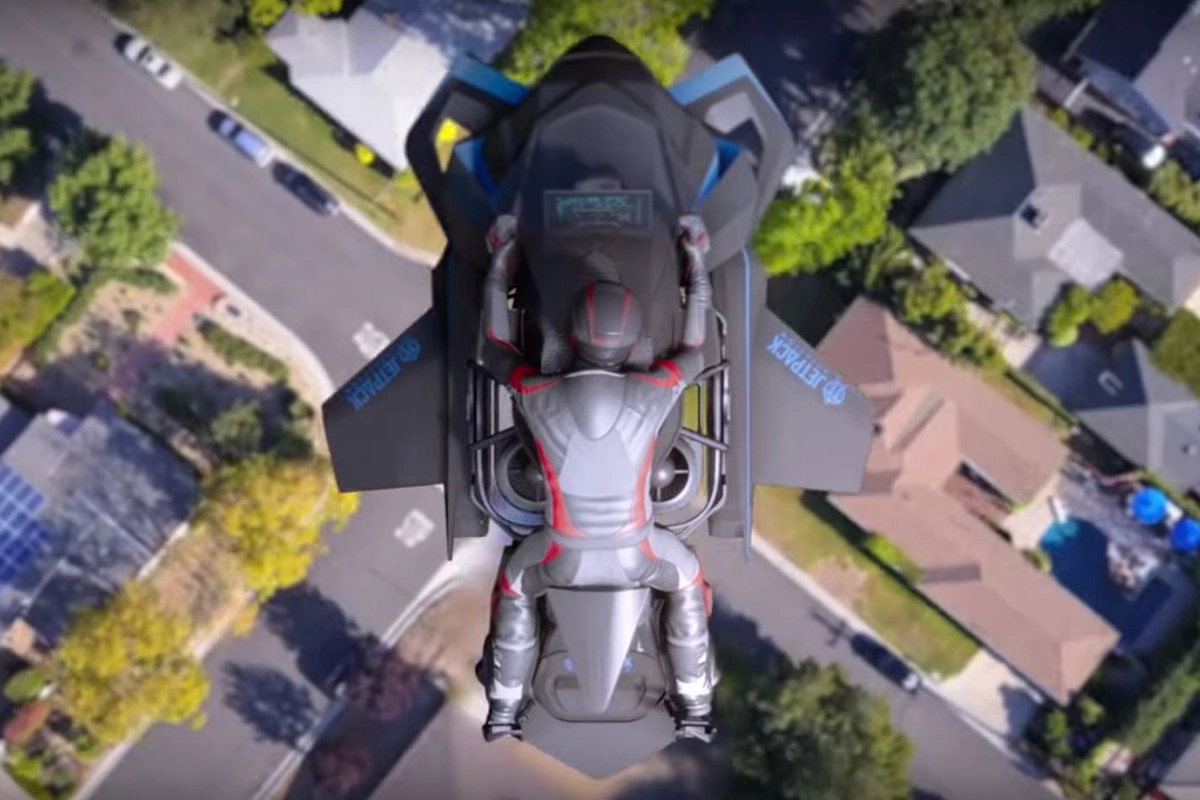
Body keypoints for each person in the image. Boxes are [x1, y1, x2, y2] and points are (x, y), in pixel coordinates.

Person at [478, 211, 716, 743]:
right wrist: (695, 256)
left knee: (514, 590)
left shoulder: (536, 392)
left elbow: (494, 345)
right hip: (639, 554)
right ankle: (696, 705)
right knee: (688, 582)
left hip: (558, 555)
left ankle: (502, 709)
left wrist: (501, 253)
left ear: (572, 332)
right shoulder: (652, 391)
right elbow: (695, 349)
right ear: (630, 336)